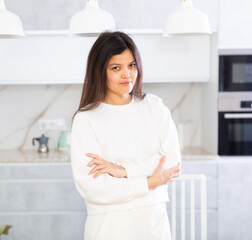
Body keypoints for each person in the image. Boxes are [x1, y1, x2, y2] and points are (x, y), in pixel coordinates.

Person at [70, 31, 182, 240]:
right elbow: (93, 187)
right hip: (110, 227)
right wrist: (149, 182)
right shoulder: (86, 119)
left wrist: (122, 171)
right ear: (99, 71)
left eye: (132, 65)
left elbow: (171, 162)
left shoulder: (154, 107)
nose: (127, 74)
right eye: (116, 68)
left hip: (154, 224)